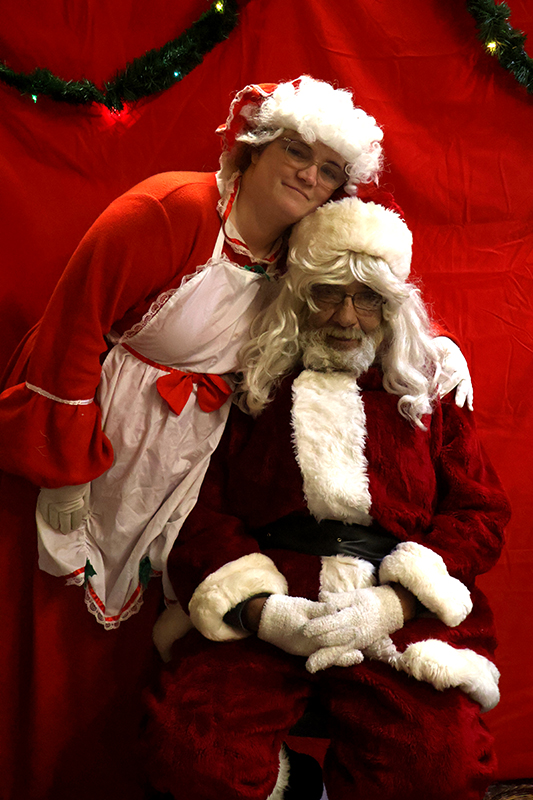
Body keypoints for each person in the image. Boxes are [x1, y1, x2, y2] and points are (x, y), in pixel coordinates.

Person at [0, 76, 471, 800]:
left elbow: (367, 282)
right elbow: (72, 330)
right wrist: (62, 470)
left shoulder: (297, 252)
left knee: (129, 647)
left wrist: (436, 348)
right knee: (57, 624)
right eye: (295, 152)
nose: (308, 175)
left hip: (184, 455)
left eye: (328, 169)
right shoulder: (169, 210)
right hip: (91, 432)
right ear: (253, 147)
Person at [145, 196, 510, 800]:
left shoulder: (430, 389)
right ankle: (296, 787)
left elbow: (479, 512)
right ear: (298, 297)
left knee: (437, 768)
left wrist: (396, 602)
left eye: (367, 298)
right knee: (192, 757)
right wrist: (262, 611)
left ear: (392, 306)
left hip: (394, 608)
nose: (345, 317)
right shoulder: (249, 381)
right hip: (275, 596)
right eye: (327, 294)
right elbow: (194, 506)